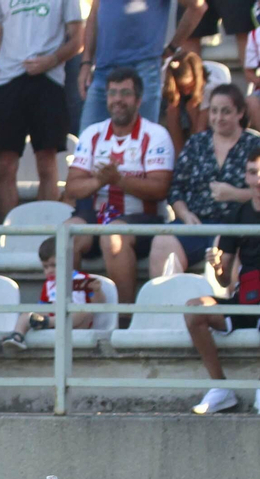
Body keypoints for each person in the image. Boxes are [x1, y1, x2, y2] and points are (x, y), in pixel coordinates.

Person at [66, 67, 174, 311]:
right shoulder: (92, 134)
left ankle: (123, 319)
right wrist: (100, 181)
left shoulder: (156, 135)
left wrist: (119, 180)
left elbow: (160, 189)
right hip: (97, 214)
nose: (117, 100)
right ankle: (69, 314)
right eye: (112, 93)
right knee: (66, 235)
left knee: (112, 235)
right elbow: (72, 186)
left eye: (125, 93)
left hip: (145, 220)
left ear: (138, 99)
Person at [0, 0, 82, 218]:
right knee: (5, 165)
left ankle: (46, 237)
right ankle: (8, 238)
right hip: (7, 82)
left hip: (49, 79)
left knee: (46, 163)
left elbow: (78, 39)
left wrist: (52, 60)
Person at [150, 85, 260, 277]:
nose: (218, 118)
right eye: (214, 111)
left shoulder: (254, 145)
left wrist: (235, 194)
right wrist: (184, 214)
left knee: (228, 257)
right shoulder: (196, 143)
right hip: (195, 222)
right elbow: (176, 188)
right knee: (162, 242)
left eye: (226, 111)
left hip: (233, 226)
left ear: (240, 112)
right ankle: (167, 304)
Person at [184, 145, 260, 415]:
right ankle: (220, 388)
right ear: (246, 176)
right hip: (244, 300)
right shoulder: (237, 214)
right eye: (253, 172)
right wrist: (217, 266)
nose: (258, 178)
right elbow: (225, 277)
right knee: (194, 310)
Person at [79, 0, 205, 131]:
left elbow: (198, 6)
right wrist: (86, 62)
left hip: (142, 69)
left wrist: (173, 46)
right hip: (103, 69)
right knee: (88, 143)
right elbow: (94, 13)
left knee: (143, 142)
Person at [0, 235, 102, 349]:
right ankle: (17, 336)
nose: (49, 270)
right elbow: (41, 307)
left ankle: (47, 322)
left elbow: (99, 305)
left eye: (54, 265)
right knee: (27, 314)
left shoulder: (82, 279)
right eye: (45, 267)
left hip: (76, 325)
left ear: (68, 260)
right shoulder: (48, 285)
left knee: (85, 313)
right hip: (53, 320)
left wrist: (96, 290)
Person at [160, 48, 209, 155]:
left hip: (203, 105)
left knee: (192, 108)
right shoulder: (166, 75)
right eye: (181, 87)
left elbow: (201, 127)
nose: (186, 91)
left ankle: (196, 154)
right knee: (171, 110)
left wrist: (193, 111)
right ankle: (180, 157)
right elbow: (170, 100)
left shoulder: (210, 85)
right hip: (179, 101)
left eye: (188, 86)